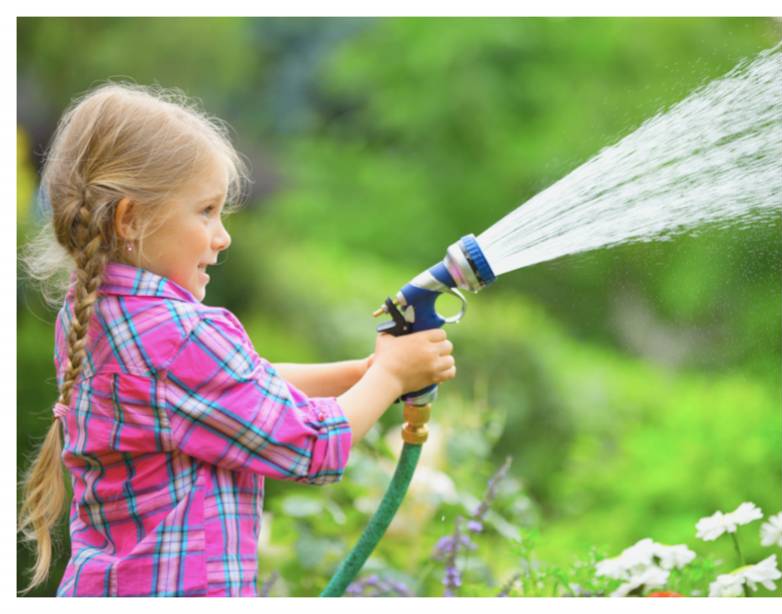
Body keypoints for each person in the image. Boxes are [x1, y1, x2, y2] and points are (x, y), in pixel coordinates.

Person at [17, 82, 456, 597]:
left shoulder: (96, 310)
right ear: (131, 219)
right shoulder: (181, 336)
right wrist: (391, 375)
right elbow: (312, 448)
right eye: (205, 211)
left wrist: (362, 373)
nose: (222, 236)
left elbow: (240, 388)